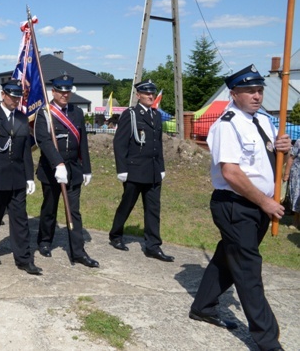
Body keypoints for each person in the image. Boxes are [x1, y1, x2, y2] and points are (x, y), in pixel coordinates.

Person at [189, 65, 290, 351]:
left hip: (257, 206)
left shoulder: (264, 122)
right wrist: (265, 202)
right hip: (235, 206)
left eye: (259, 90)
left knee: (227, 258)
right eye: (249, 91)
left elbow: (276, 165)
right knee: (248, 270)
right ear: (234, 94)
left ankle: (203, 306)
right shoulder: (227, 124)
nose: (257, 96)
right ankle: (269, 341)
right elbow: (231, 173)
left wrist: (285, 150)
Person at [34, 74, 99, 268]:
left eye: (67, 92)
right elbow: (43, 140)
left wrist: (86, 168)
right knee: (49, 209)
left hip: (73, 170)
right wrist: (58, 164)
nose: (64, 95)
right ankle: (45, 241)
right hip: (52, 169)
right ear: (53, 92)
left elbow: (83, 142)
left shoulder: (77, 112)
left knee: (74, 211)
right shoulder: (44, 112)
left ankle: (78, 252)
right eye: (61, 92)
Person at [0, 80, 39, 275]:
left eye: (18, 97)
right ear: (3, 95)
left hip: (17, 177)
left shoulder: (21, 118)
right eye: (12, 96)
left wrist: (29, 176)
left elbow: (25, 151)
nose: (15, 100)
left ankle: (23, 259)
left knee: (20, 219)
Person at [109, 79, 174, 262]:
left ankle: (153, 246)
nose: (150, 96)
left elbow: (157, 145)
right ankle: (115, 235)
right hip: (134, 170)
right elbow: (119, 143)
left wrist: (161, 167)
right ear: (138, 95)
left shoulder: (155, 115)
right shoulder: (130, 115)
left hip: (152, 171)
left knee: (153, 209)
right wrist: (121, 169)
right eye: (146, 93)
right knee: (127, 205)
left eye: (152, 93)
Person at [283, 140, 300, 229]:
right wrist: (286, 174)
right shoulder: (299, 142)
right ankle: (295, 221)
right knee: (296, 197)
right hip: (297, 175)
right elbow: (291, 158)